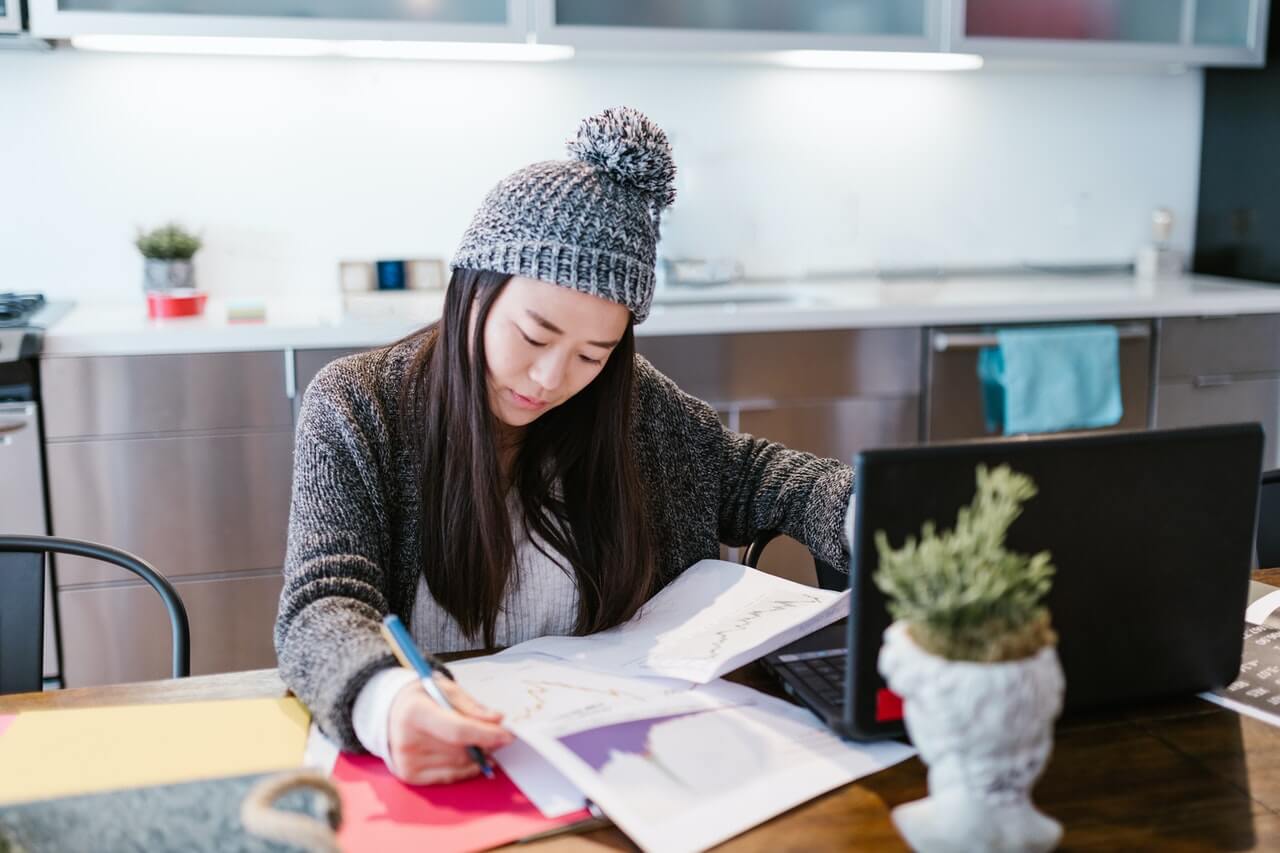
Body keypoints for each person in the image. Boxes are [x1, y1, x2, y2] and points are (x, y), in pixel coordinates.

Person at [275, 106, 855, 785]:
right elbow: (320, 607)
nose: (552, 379)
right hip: (445, 766)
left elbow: (760, 476)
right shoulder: (357, 405)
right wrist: (385, 700)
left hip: (621, 765)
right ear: (474, 292)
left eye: (593, 354)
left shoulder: (630, 406)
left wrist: (867, 512)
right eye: (534, 335)